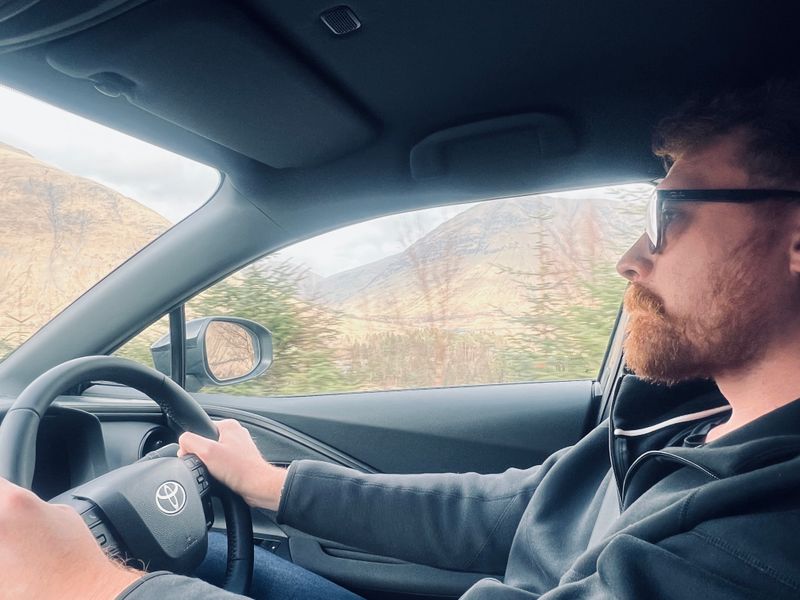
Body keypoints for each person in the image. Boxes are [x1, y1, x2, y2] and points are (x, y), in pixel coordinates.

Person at [2, 78, 800, 599]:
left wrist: (86, 581)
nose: (631, 256)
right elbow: (512, 509)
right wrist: (269, 484)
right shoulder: (682, 423)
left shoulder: (764, 535)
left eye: (671, 214)